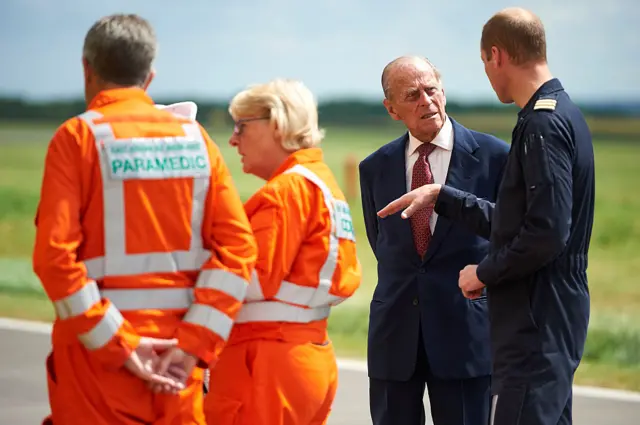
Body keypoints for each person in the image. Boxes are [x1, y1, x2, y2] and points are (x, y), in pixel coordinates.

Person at [32, 13, 257, 425]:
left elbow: (54, 260)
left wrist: (120, 345)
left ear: (87, 68)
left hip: (97, 367)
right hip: (178, 366)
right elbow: (238, 253)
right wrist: (191, 346)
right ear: (149, 76)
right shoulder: (197, 140)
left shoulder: (77, 138)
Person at [377, 8, 595, 425]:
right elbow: (525, 221)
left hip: (535, 316)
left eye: (483, 63)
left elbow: (546, 232)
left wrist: (485, 272)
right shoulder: (562, 112)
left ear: (496, 55)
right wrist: (444, 196)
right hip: (550, 311)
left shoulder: (541, 126)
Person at [359, 55, 510, 425]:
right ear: (392, 109)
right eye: (412, 95)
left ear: (443, 91)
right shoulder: (374, 167)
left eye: (431, 90)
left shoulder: (495, 158)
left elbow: (509, 231)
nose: (426, 101)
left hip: (465, 338)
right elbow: (383, 246)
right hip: (394, 341)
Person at [202, 78, 362, 425]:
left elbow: (246, 281)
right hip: (304, 355)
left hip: (267, 363)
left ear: (275, 123)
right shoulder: (320, 182)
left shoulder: (286, 191)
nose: (233, 139)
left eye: (241, 126)